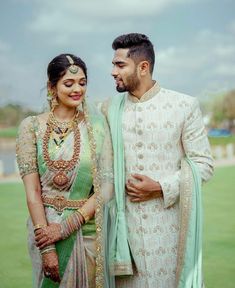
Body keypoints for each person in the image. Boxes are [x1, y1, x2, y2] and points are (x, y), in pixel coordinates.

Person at [103, 33, 214, 288]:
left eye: (120, 65)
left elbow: (203, 164)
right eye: (113, 64)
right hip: (124, 238)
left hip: (170, 234)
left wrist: (161, 187)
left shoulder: (184, 106)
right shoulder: (107, 109)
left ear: (143, 67)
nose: (112, 71)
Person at [16, 53, 115, 288]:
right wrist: (48, 244)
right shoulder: (31, 127)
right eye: (68, 83)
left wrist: (66, 227)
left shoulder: (97, 127)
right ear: (52, 87)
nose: (77, 89)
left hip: (86, 231)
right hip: (44, 231)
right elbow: (32, 192)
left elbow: (108, 186)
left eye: (82, 83)